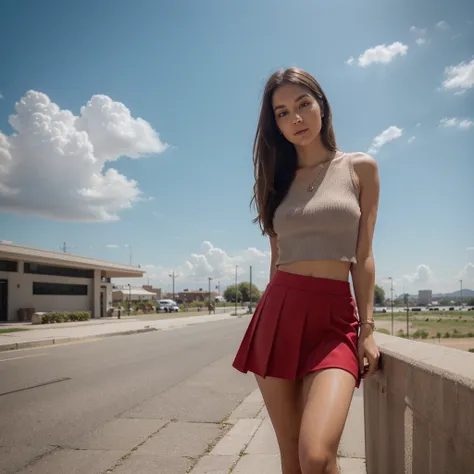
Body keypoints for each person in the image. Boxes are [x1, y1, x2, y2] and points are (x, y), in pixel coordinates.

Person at [232, 67, 381, 474]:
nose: (294, 118)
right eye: (281, 113)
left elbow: (363, 255)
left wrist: (367, 328)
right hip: (279, 312)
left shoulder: (360, 168)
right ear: (275, 125)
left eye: (302, 105)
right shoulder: (274, 182)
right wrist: (270, 318)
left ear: (322, 106)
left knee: (316, 455)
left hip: (335, 320)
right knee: (291, 456)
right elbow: (276, 256)